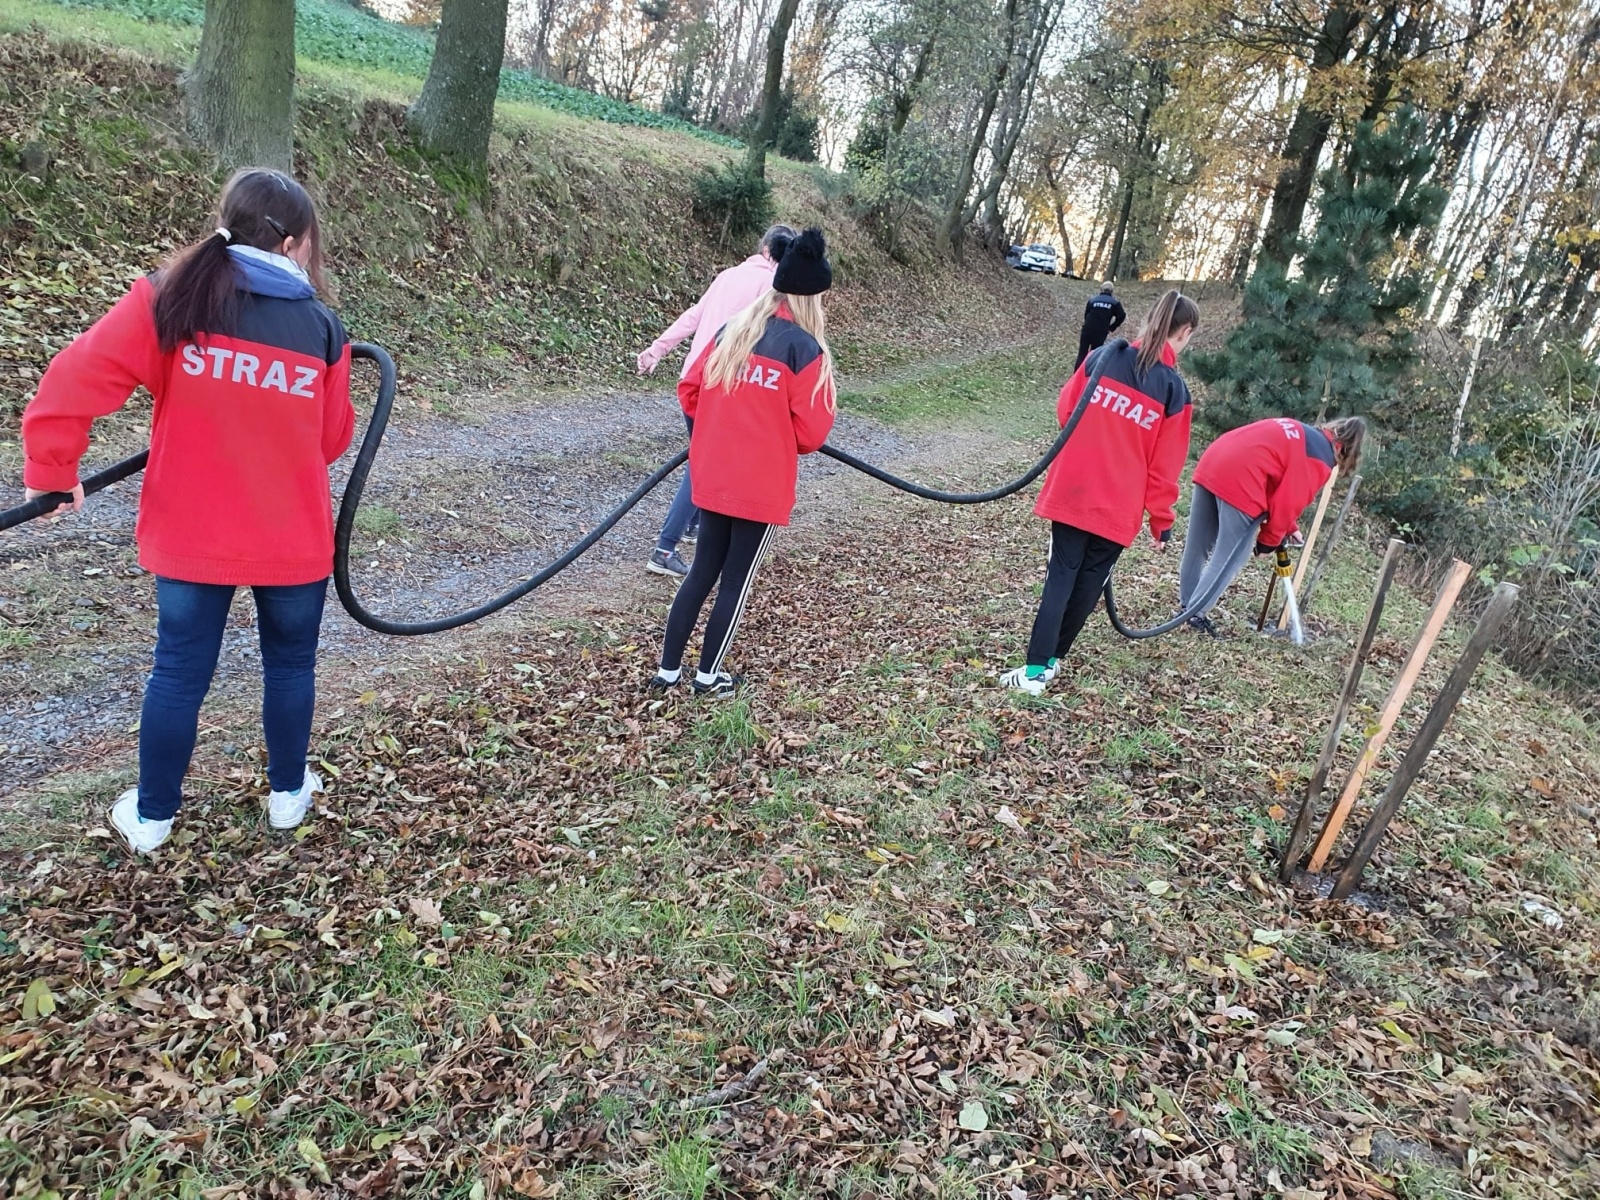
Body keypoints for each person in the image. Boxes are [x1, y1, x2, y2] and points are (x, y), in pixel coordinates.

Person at [20, 168, 354, 854]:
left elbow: (76, 375)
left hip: (191, 533)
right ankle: (289, 797)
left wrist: (52, 472)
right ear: (294, 243)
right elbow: (330, 440)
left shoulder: (171, 296)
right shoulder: (323, 327)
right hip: (291, 539)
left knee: (178, 671)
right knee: (291, 665)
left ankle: (152, 819)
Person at [649, 227, 836, 699]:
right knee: (735, 579)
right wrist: (771, 433)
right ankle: (709, 677)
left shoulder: (730, 331)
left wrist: (715, 431)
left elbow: (689, 389)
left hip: (714, 476)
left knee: (701, 570)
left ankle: (668, 671)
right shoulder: (805, 350)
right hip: (760, 486)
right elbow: (813, 433)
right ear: (812, 299)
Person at [1001, 290, 1201, 695]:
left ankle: (1036, 671)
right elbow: (1166, 469)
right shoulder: (1174, 391)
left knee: (1062, 576)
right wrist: (1161, 521)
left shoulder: (1104, 357)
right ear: (1184, 333)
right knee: (1089, 581)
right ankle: (1051, 662)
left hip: (1075, 489)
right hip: (1119, 506)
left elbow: (1065, 410)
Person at [637, 223, 799, 578]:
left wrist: (658, 348)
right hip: (725, 387)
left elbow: (694, 316)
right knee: (702, 465)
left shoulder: (728, 276)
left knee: (706, 458)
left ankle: (696, 524)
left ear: (763, 247)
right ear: (781, 256)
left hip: (695, 379)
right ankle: (664, 548)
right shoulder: (770, 288)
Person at [1179, 416, 1367, 635]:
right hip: (1241, 479)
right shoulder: (1320, 458)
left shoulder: (1301, 432)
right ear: (1345, 452)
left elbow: (1274, 478)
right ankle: (1195, 615)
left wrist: (1289, 528)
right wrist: (1268, 541)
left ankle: (1186, 608)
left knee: (1197, 546)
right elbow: (1288, 501)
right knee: (1230, 557)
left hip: (1215, 461)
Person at [1076, 282, 1126, 368]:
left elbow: (1086, 314)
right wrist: (1112, 327)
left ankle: (1076, 375)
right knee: (1094, 354)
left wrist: (1087, 324)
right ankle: (1089, 375)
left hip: (1087, 329)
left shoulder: (1092, 300)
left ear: (1101, 289)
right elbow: (1122, 316)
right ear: (1112, 291)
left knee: (1082, 354)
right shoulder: (1114, 302)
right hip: (1101, 331)